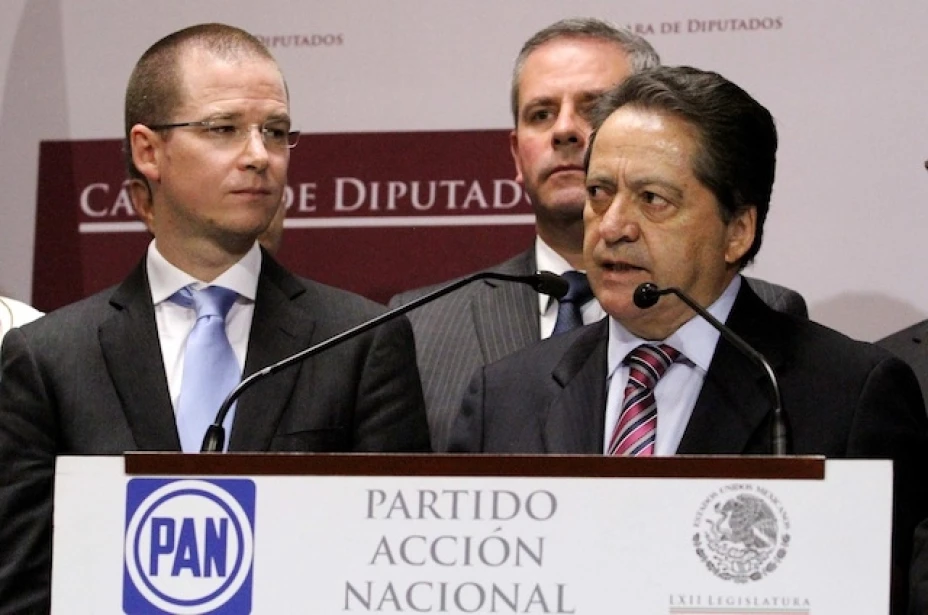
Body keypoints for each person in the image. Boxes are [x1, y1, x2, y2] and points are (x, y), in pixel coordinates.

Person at [446, 65, 928, 613]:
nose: (612, 226)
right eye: (599, 193)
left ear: (737, 231)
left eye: (653, 199)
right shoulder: (505, 394)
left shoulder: (846, 395)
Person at [0, 23, 429, 611]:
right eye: (224, 128)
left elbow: (387, 576)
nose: (259, 156)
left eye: (275, 132)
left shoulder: (359, 341)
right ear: (148, 151)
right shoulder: (48, 358)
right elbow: (23, 590)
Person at [389, 18, 806, 452]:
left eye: (593, 107)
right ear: (515, 152)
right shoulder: (427, 328)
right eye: (541, 113)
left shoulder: (780, 338)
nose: (565, 131)